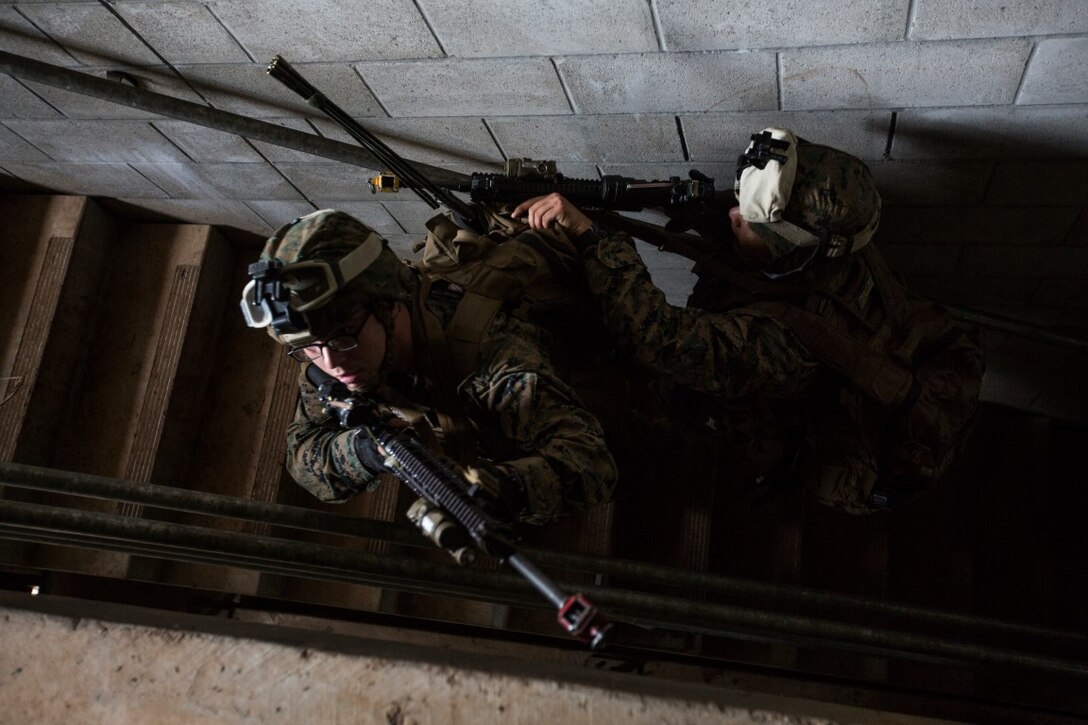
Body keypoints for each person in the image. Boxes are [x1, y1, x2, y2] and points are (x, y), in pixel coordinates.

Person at [513, 128, 982, 514]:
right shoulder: (843, 231)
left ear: (794, 252)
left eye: (749, 221)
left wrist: (595, 238)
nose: (733, 211)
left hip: (771, 399)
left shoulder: (783, 347)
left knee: (646, 395)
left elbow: (659, 339)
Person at [239, 208, 617, 525]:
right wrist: (365, 451)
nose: (331, 363)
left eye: (341, 339)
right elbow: (300, 454)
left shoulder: (492, 357)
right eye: (308, 349)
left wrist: (499, 488)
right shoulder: (337, 351)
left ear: (387, 305)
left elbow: (592, 466)